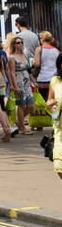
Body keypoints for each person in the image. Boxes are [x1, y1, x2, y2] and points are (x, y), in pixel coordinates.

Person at [6, 33, 33, 134]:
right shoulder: (12, 57)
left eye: (21, 42)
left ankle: (19, 122)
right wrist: (15, 85)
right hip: (19, 81)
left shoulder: (25, 55)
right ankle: (22, 128)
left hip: (27, 82)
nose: (21, 44)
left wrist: (33, 80)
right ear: (14, 45)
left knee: (31, 105)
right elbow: (11, 72)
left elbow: (28, 69)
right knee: (22, 105)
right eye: (18, 42)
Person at [46, 52, 62, 183]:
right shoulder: (55, 81)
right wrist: (51, 106)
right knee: (59, 167)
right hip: (59, 129)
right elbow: (51, 102)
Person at [34, 31, 58, 102]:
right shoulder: (56, 50)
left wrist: (32, 62)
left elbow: (37, 64)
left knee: (44, 102)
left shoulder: (39, 49)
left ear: (42, 39)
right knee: (53, 101)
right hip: (54, 79)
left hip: (42, 79)